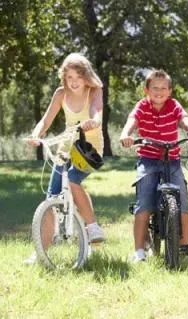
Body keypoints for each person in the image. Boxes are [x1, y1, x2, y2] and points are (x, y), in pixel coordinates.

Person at [24, 53, 106, 264]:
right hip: (66, 147)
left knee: (72, 180)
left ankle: (92, 226)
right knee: (51, 199)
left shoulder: (94, 91)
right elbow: (46, 120)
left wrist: (94, 122)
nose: (74, 81)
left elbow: (97, 111)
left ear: (86, 76)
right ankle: (40, 254)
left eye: (78, 76)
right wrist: (36, 135)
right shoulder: (61, 93)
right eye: (69, 77)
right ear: (64, 78)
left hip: (88, 149)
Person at [120, 69, 188, 263]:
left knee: (183, 202)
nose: (159, 91)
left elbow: (184, 120)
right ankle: (139, 252)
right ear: (146, 90)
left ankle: (183, 246)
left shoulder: (173, 106)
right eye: (154, 87)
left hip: (171, 159)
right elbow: (132, 121)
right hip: (148, 159)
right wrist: (126, 134)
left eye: (163, 88)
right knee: (144, 202)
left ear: (170, 91)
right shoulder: (142, 106)